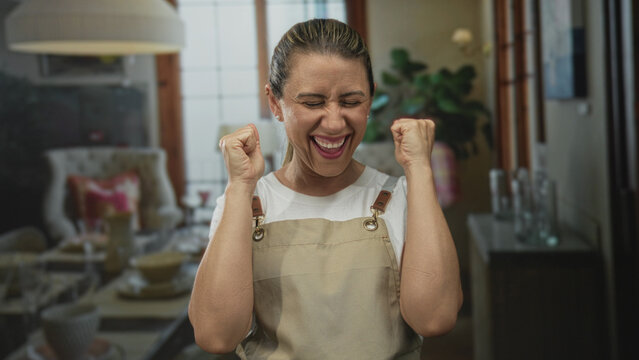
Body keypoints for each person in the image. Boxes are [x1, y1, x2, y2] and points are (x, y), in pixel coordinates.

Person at [188, 18, 463, 359]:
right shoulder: (247, 202)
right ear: (275, 103)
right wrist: (240, 187)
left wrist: (420, 170)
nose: (334, 123)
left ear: (371, 99)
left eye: (351, 101)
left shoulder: (401, 199)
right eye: (313, 103)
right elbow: (216, 336)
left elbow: (435, 318)